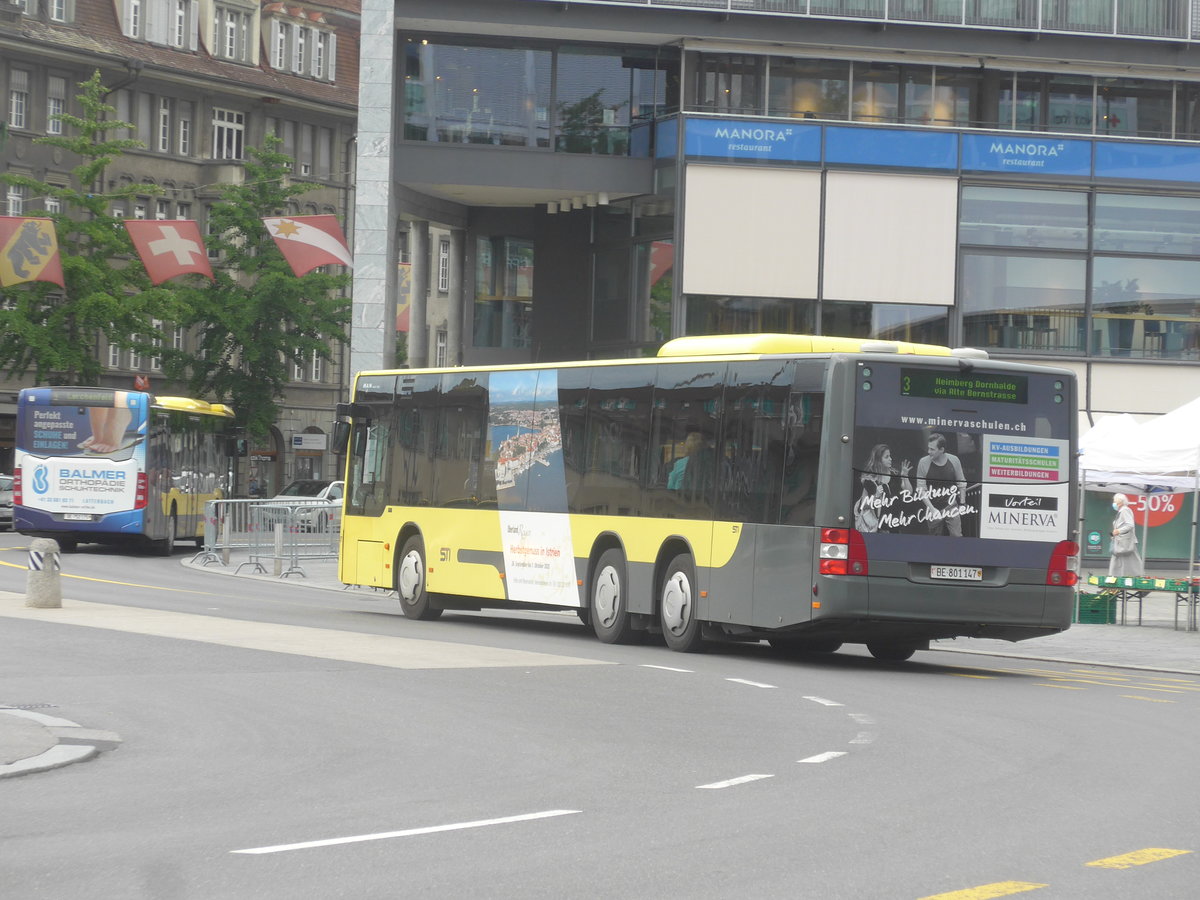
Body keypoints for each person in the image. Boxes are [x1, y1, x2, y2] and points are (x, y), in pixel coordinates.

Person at [915, 433, 967, 537]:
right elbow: (921, 489)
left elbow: (961, 483)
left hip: (951, 505)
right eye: (928, 448)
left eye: (932, 449)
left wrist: (962, 503)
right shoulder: (923, 462)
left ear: (941, 450)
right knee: (935, 537)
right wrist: (932, 509)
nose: (928, 451)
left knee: (957, 536)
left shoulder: (954, 460)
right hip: (932, 505)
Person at [854, 443, 912, 533]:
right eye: (886, 457)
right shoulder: (870, 479)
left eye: (890, 456)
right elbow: (863, 505)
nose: (890, 459)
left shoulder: (894, 475)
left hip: (895, 524)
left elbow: (909, 492)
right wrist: (876, 496)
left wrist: (905, 476)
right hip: (878, 527)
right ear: (878, 460)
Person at [1109, 492, 1143, 577]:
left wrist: (1119, 531)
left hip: (1125, 542)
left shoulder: (1125, 510)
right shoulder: (1121, 511)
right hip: (1122, 541)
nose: (1113, 503)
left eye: (1115, 501)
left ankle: (1116, 577)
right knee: (1126, 561)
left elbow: (1130, 524)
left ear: (1120, 502)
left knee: (1126, 561)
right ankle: (1119, 577)